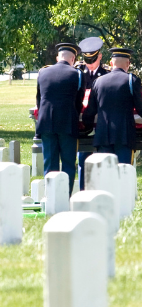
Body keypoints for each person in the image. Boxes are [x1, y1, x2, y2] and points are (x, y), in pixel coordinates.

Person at [83, 48, 142, 164]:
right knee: (123, 174)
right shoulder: (131, 80)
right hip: (124, 136)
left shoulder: (98, 82)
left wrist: (87, 127)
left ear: (111, 63)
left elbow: (90, 110)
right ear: (128, 64)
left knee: (104, 176)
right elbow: (141, 108)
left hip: (103, 136)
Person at [36, 43, 85, 196]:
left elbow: (39, 99)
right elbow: (79, 101)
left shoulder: (42, 72)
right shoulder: (77, 74)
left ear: (58, 57)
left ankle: (51, 197)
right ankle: (65, 197)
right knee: (68, 164)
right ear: (73, 59)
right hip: (68, 123)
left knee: (50, 164)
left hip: (46, 122)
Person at [76, 36, 111, 191]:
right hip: (84, 122)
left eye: (93, 60)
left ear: (100, 56)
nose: (90, 64)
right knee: (83, 158)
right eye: (87, 60)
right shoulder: (77, 72)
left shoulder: (106, 74)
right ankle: (84, 191)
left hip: (103, 122)